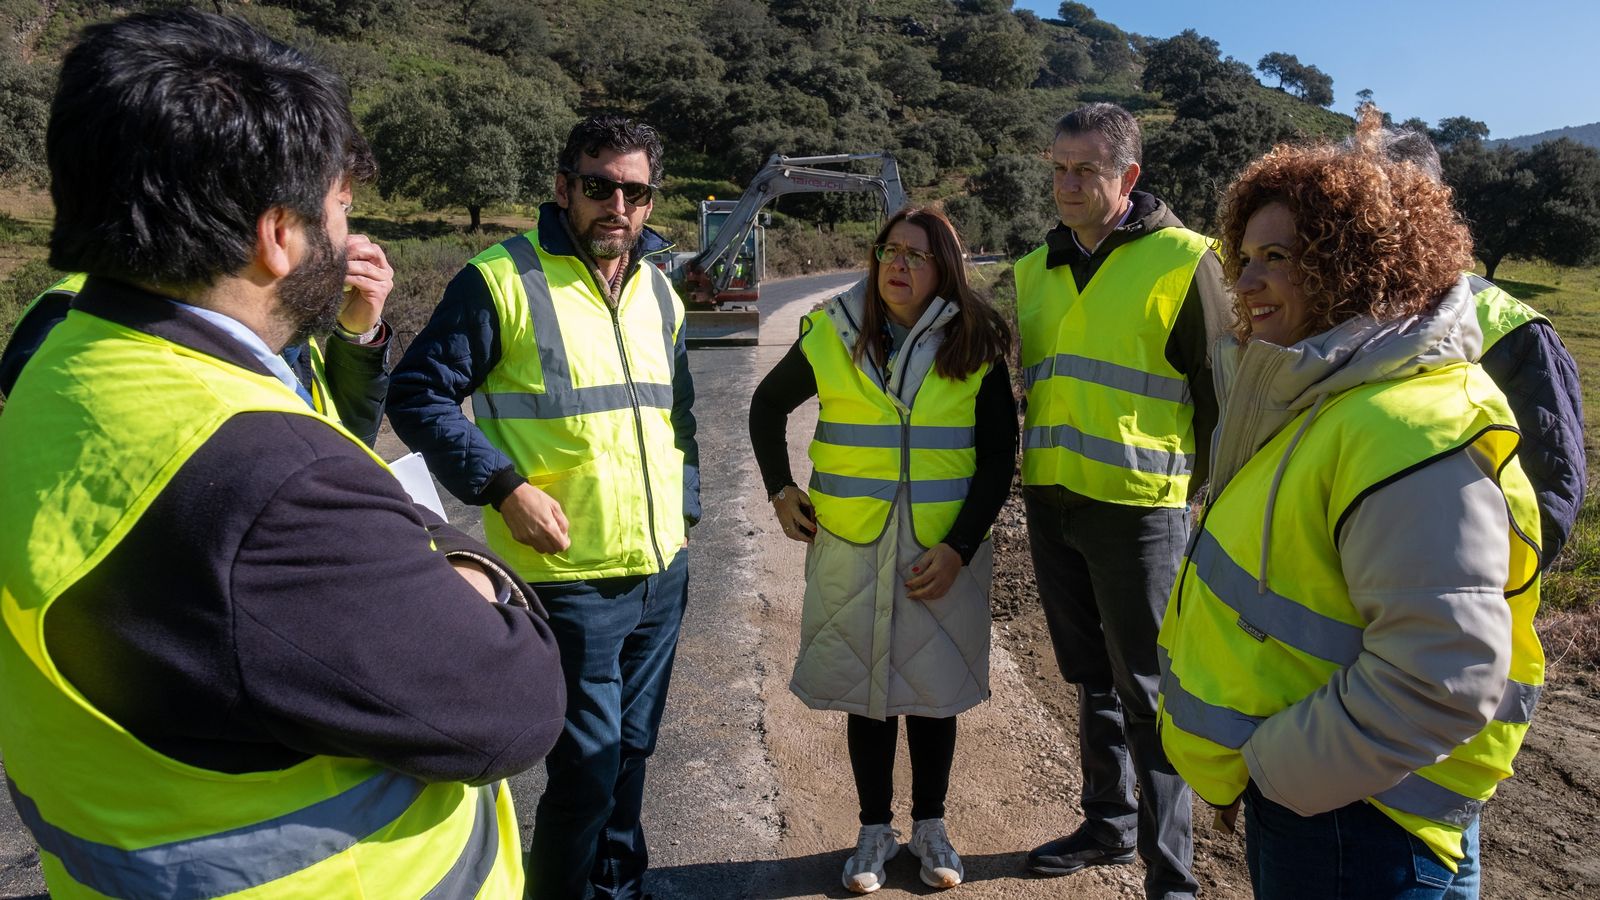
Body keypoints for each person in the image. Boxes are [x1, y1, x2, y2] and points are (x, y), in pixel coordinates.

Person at [0, 10, 565, 899]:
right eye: (341, 208)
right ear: (278, 235)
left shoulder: (62, 367)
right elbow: (512, 708)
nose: (349, 235)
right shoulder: (275, 483)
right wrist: (463, 562)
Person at [1156, 112, 1544, 900]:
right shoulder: (1333, 399)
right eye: (1245, 258)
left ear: (1351, 265)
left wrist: (1273, 773)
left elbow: (1442, 675)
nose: (1247, 281)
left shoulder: (1403, 424)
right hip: (1341, 808)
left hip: (1356, 825)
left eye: (1278, 259)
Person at [387, 114, 699, 900]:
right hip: (569, 580)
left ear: (650, 203)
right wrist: (503, 486)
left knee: (632, 753)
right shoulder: (500, 280)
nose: (616, 206)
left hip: (661, 572)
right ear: (564, 189)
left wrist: (685, 508)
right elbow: (419, 393)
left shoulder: (661, 292)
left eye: (634, 192)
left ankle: (621, 889)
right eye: (599, 187)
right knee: (587, 773)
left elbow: (680, 416)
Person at [748, 206, 1016, 893]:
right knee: (866, 697)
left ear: (944, 267)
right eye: (889, 251)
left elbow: (996, 458)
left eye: (916, 256)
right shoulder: (835, 330)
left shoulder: (976, 338)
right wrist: (780, 489)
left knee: (933, 694)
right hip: (852, 540)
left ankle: (931, 827)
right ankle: (873, 831)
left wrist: (960, 546)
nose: (898, 265)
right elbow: (766, 407)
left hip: (940, 551)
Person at [1016, 102, 1227, 899]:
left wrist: (1185, 495)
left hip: (1141, 514)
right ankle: (1107, 824)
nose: (1068, 184)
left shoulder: (1185, 261)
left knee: (1147, 690)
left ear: (1127, 177)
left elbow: (1219, 401)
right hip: (1052, 505)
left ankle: (1171, 878)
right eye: (1059, 167)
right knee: (1091, 678)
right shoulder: (1036, 269)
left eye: (1087, 170)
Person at [1375, 127, 1586, 565]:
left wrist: (1456, 589)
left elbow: (1550, 494)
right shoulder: (1329, 317)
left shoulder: (1516, 332)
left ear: (1430, 210)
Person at [0, 228, 395, 445]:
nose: (346, 237)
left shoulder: (266, 304)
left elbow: (349, 443)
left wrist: (354, 335)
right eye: (338, 207)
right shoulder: (76, 315)